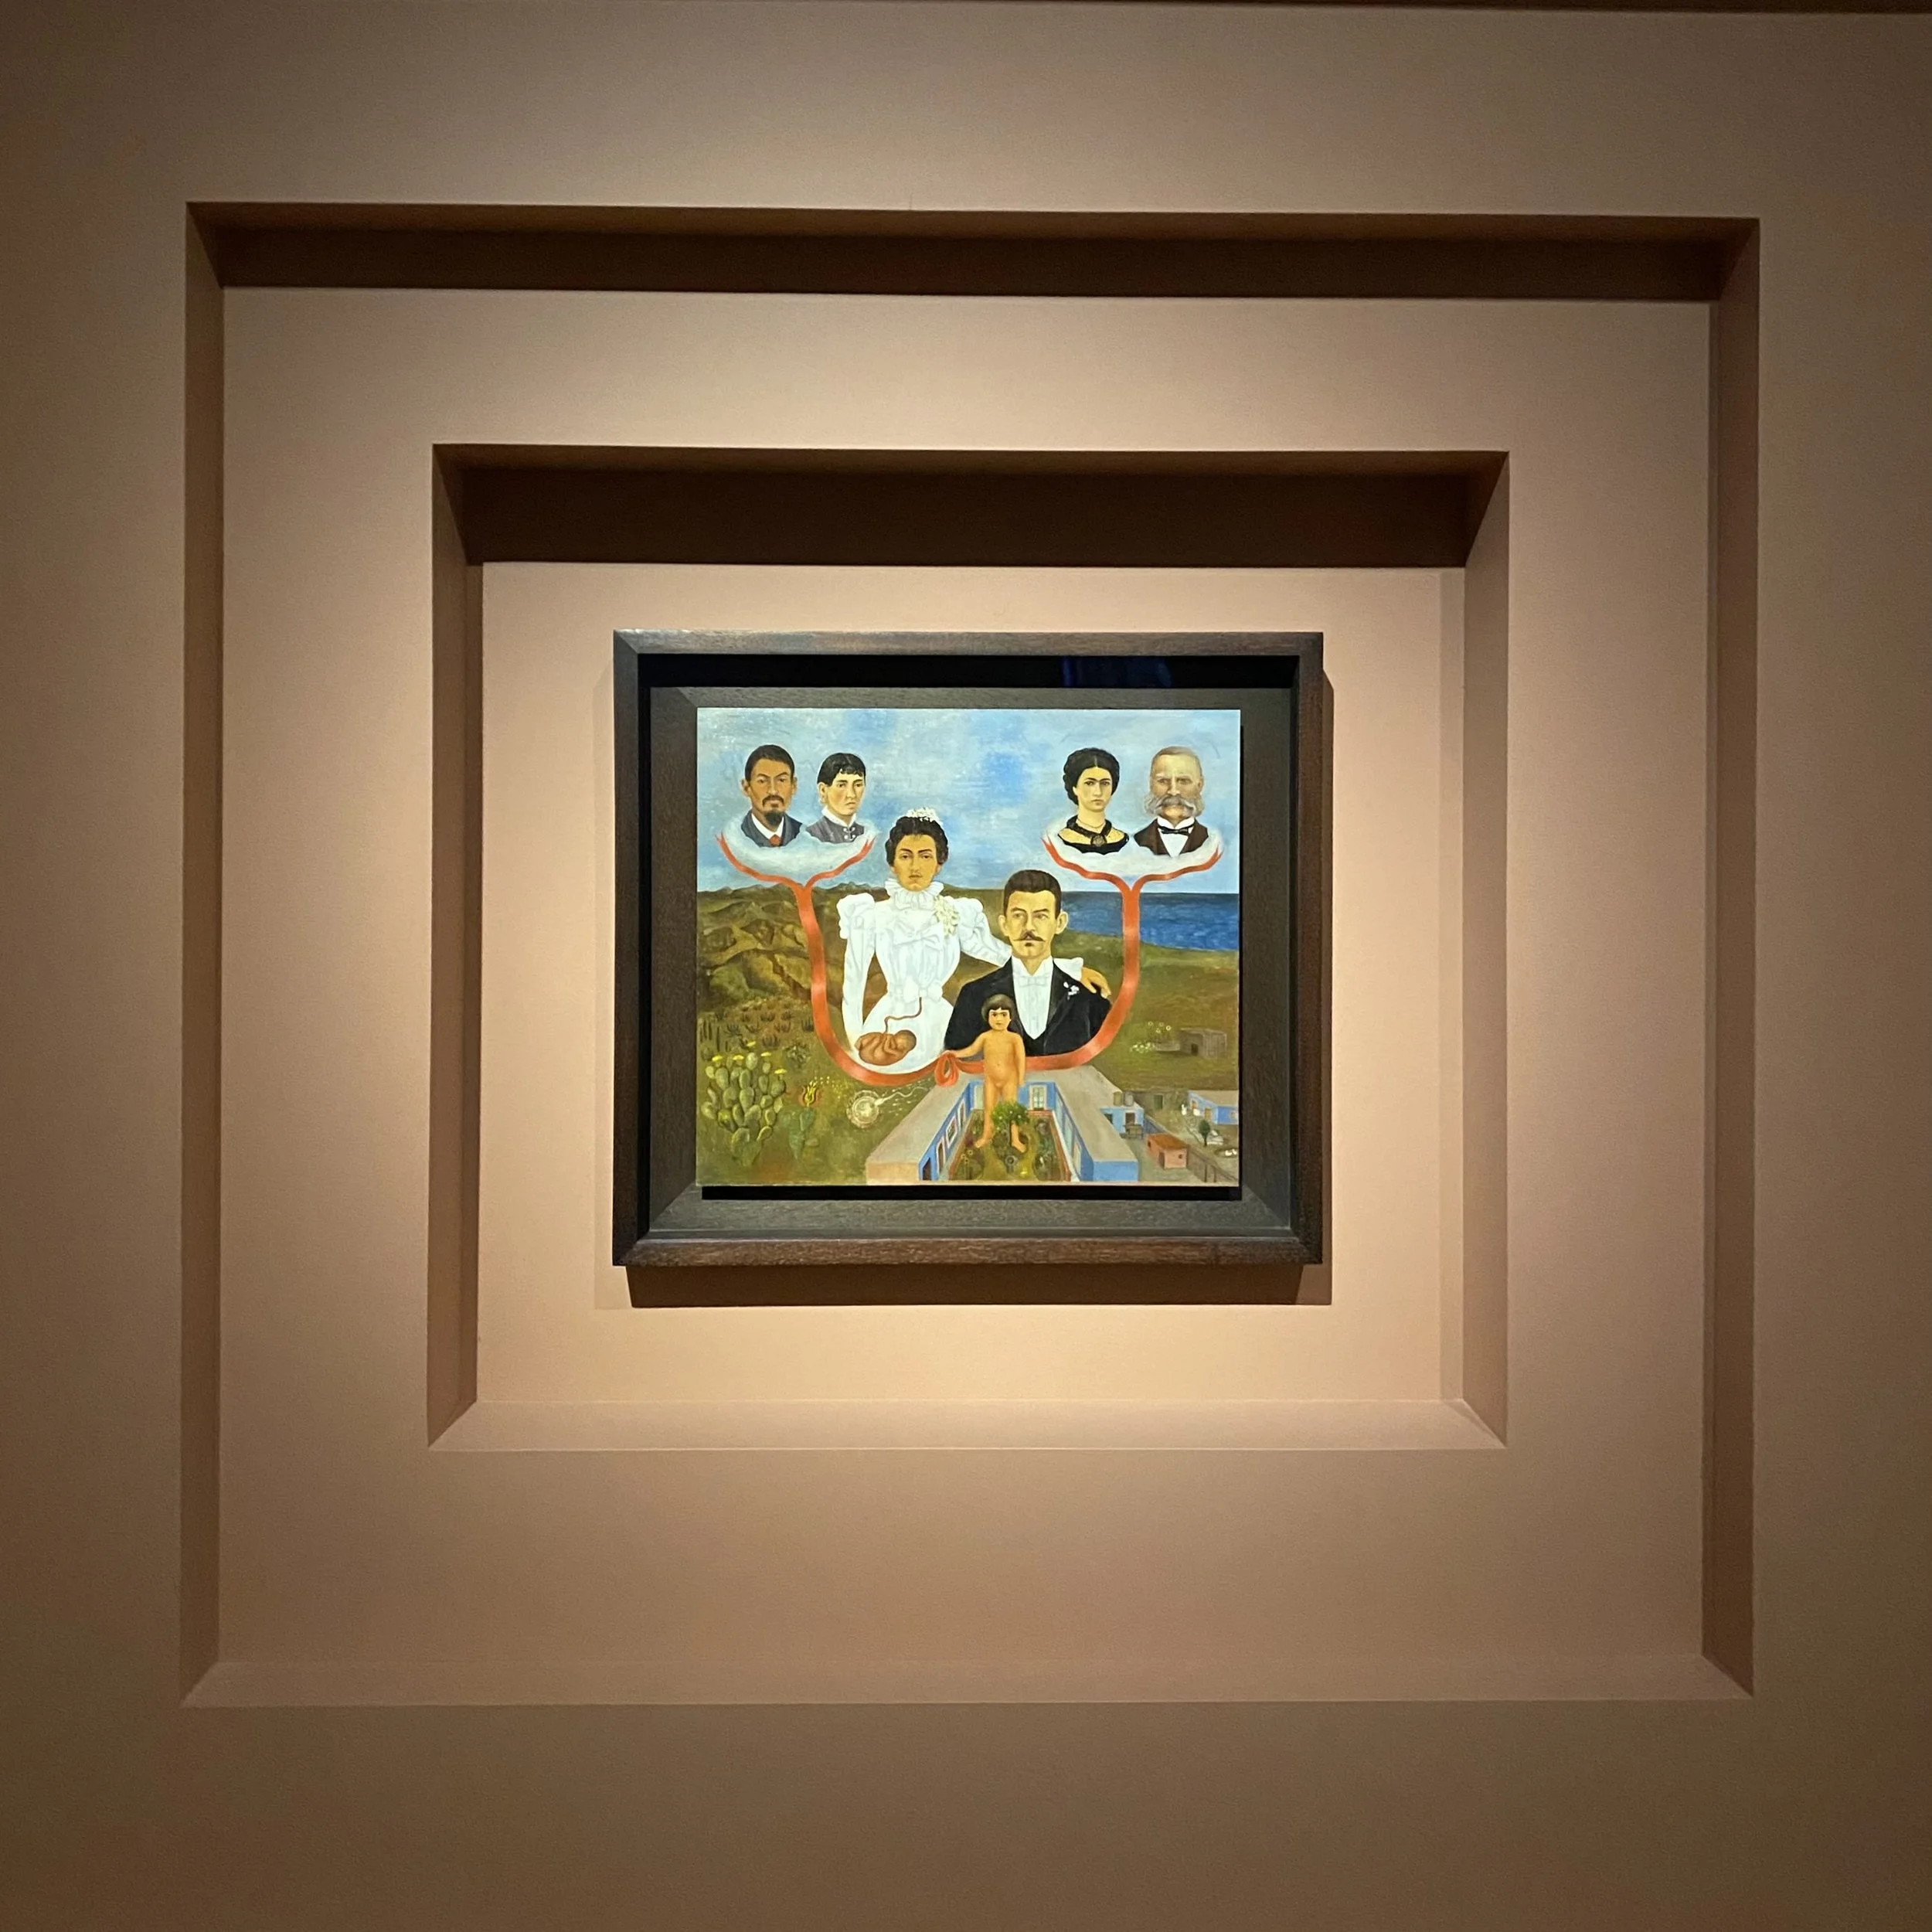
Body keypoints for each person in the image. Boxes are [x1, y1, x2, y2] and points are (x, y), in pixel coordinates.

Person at [834, 812, 1009, 1071]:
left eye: (925, 856)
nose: (915, 867)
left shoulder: (955, 913)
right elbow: (854, 979)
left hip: (939, 1022)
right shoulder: (872, 915)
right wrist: (856, 1038)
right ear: (892, 864)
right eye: (905, 856)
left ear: (939, 863)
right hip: (886, 1020)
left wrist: (1052, 965)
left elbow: (993, 952)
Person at [944, 869, 1111, 1058]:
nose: (1029, 927)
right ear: (1004, 924)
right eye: (1018, 915)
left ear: (1060, 923)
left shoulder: (1089, 998)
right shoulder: (973, 995)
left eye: (1040, 916)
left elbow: (1105, 1061)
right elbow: (957, 1062)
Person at [956, 992, 1027, 1152]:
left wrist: (1021, 1078)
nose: (999, 1019)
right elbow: (971, 1050)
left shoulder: (1014, 1038)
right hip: (991, 1080)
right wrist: (954, 1054)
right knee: (989, 1108)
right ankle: (986, 1135)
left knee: (1011, 1110)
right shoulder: (985, 1037)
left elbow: (1021, 1059)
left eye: (1003, 1014)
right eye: (994, 1014)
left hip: (1009, 1080)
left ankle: (1015, 1139)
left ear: (1011, 1018)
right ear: (987, 1017)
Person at [1130, 745, 1212, 856]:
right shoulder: (1134, 843)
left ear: (1200, 785)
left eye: (1183, 781)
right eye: (1163, 781)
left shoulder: (1213, 842)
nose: (1173, 791)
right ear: (1151, 784)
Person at [1053, 746, 1128, 855]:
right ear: (1075, 788)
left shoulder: (1126, 842)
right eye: (1090, 783)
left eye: (1105, 783)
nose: (1098, 792)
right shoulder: (1058, 842)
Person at [738, 743, 801, 848]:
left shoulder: (806, 837)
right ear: (746, 788)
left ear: (793, 786)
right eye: (762, 781)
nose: (773, 791)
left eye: (781, 780)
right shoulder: (736, 838)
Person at [804, 751, 869, 843]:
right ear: (823, 790)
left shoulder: (867, 835)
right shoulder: (810, 836)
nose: (851, 795)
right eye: (841, 785)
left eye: (858, 785)